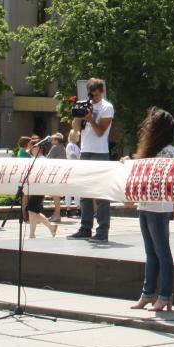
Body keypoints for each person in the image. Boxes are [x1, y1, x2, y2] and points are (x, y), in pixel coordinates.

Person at [128, 107, 174, 313]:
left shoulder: (168, 150)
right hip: (146, 204)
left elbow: (158, 172)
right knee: (151, 252)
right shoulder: (152, 148)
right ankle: (148, 293)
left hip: (159, 207)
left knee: (161, 252)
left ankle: (165, 295)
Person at [68, 78, 114, 242]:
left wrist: (90, 119)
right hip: (85, 151)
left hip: (100, 152)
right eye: (90, 94)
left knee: (101, 194)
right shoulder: (85, 103)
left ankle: (102, 231)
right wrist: (78, 115)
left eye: (94, 94)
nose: (92, 98)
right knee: (85, 192)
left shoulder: (107, 107)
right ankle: (85, 228)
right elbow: (75, 128)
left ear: (101, 91)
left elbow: (101, 131)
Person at [25, 137, 57, 238]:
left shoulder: (43, 159)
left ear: (38, 148)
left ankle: (33, 234)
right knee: (33, 211)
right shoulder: (33, 159)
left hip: (39, 187)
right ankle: (46, 228)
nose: (30, 149)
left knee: (31, 210)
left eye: (32, 147)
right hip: (33, 186)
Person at [46, 133, 66, 222]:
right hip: (60, 173)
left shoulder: (55, 147)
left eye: (53, 139)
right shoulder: (62, 147)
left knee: (56, 196)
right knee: (56, 196)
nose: (51, 141)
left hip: (56, 174)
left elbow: (48, 158)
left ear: (57, 140)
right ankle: (56, 214)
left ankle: (57, 215)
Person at [64, 128, 81, 217]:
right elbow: (73, 156)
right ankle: (71, 208)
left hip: (73, 168)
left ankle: (71, 208)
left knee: (71, 190)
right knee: (72, 190)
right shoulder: (72, 146)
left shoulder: (72, 145)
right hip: (72, 168)